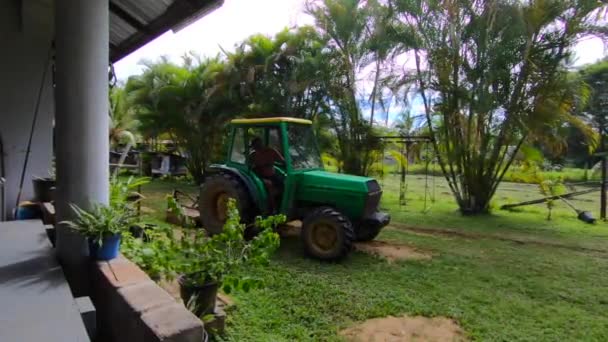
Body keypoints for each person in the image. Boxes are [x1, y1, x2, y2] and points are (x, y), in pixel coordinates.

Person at [250, 137, 285, 212]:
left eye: (258, 145)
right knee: (269, 185)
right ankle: (272, 209)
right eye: (255, 146)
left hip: (272, 175)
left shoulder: (271, 151)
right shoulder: (253, 155)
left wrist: (288, 164)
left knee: (285, 183)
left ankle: (282, 205)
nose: (257, 148)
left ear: (262, 144)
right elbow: (249, 168)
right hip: (259, 177)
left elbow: (282, 161)